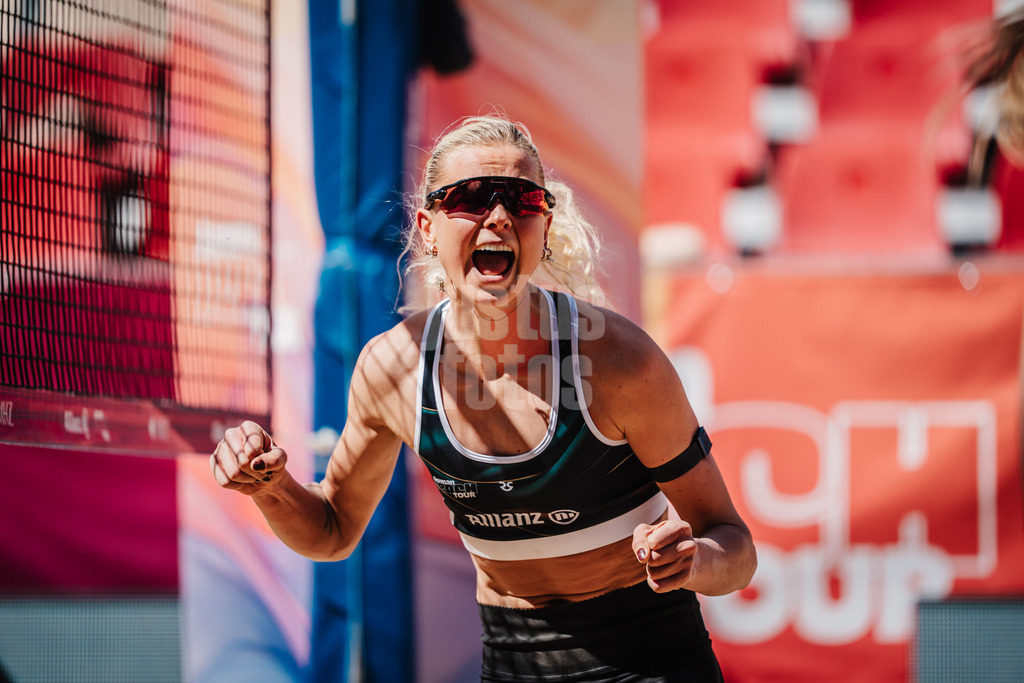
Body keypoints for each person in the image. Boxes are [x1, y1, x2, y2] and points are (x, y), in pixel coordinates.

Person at [210, 114, 757, 682]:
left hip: (653, 661)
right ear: (427, 227)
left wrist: (693, 561)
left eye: (521, 199)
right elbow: (330, 531)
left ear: (543, 226)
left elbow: (736, 549)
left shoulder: (619, 362)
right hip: (510, 664)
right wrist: (271, 489)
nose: (498, 215)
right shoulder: (392, 368)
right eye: (469, 198)